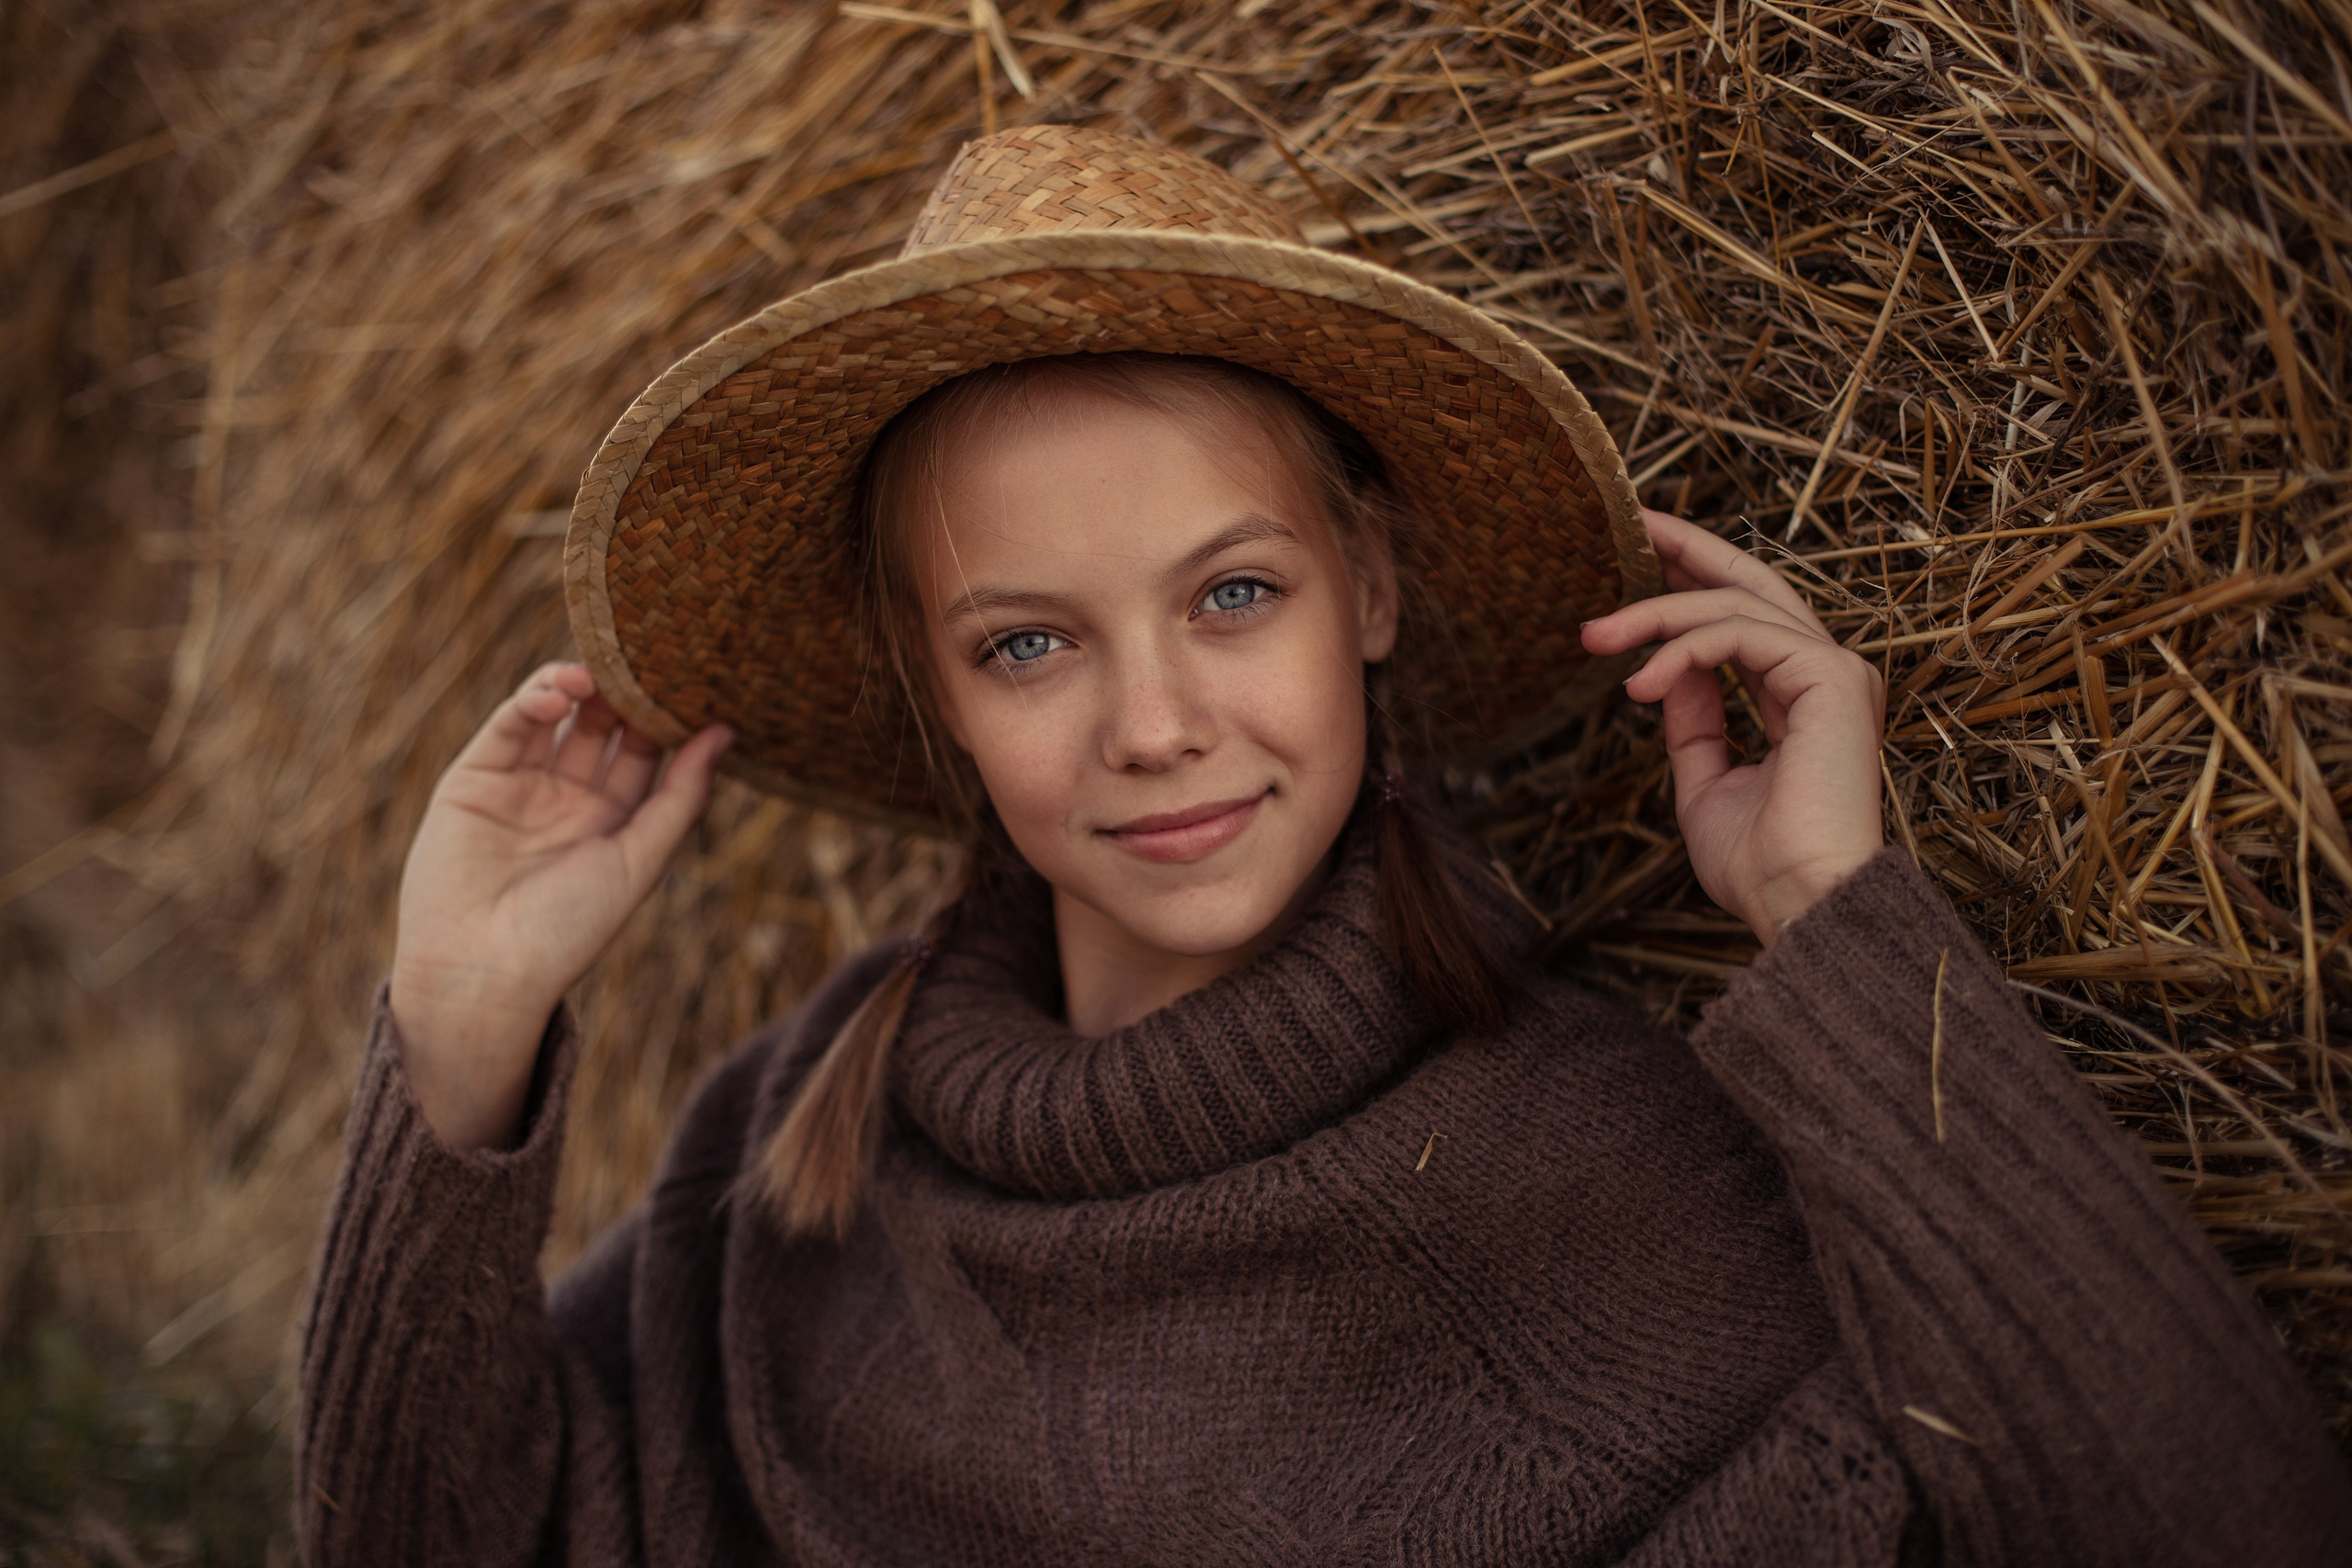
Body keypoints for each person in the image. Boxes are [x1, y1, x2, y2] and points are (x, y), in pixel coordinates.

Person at [295, 127, 2350, 1565]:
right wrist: (461, 1028)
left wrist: (1832, 915)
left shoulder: (1598, 1180)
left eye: (1232, 594)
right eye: (1027, 643)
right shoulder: (797, 1143)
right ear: (937, 693)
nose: (1153, 722)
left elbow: (2226, 1525)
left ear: (1365, 586)